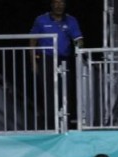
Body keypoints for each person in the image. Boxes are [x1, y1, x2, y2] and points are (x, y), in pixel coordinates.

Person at [30, 0, 83, 128]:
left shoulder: (71, 20)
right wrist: (33, 63)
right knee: (48, 93)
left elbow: (78, 39)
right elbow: (32, 41)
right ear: (51, 4)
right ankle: (49, 125)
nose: (59, 6)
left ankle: (65, 124)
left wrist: (79, 48)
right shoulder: (41, 20)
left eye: (62, 3)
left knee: (65, 91)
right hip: (46, 59)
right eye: (56, 3)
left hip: (64, 60)